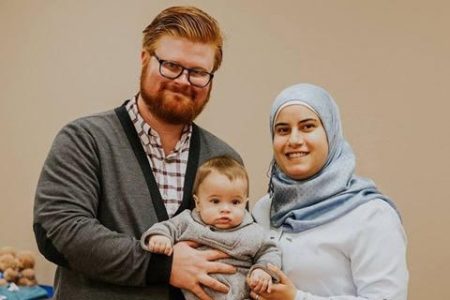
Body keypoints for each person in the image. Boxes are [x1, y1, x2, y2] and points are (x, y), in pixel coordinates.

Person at [33, 6, 242, 300]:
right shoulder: (85, 139)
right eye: (171, 65)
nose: (183, 80)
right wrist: (162, 266)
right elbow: (58, 233)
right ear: (145, 59)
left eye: (198, 72)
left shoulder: (223, 158)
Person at [250, 83, 409, 300]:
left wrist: (296, 298)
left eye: (307, 126)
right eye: (283, 130)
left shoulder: (370, 215)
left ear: (330, 132)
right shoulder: (264, 209)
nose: (294, 140)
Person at [141, 156, 282, 300]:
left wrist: (262, 270)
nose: (225, 209)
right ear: (198, 203)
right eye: (215, 201)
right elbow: (167, 227)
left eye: (235, 202)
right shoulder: (187, 221)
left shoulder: (253, 232)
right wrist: (160, 237)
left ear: (245, 202)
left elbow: (270, 251)